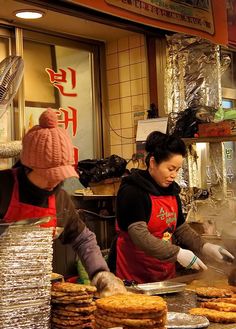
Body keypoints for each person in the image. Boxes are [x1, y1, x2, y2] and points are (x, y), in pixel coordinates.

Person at [0, 108, 126, 297]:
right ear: (28, 166)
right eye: (50, 175)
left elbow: (83, 239)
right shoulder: (3, 187)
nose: (55, 182)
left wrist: (100, 273)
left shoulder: (60, 199)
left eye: (60, 176)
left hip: (35, 298)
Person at [115, 131, 234, 284]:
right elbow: (140, 237)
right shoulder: (133, 191)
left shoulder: (171, 191)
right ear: (152, 163)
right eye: (170, 169)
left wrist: (205, 246)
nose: (174, 175)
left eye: (177, 170)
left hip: (165, 278)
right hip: (135, 279)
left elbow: (181, 228)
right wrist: (177, 253)